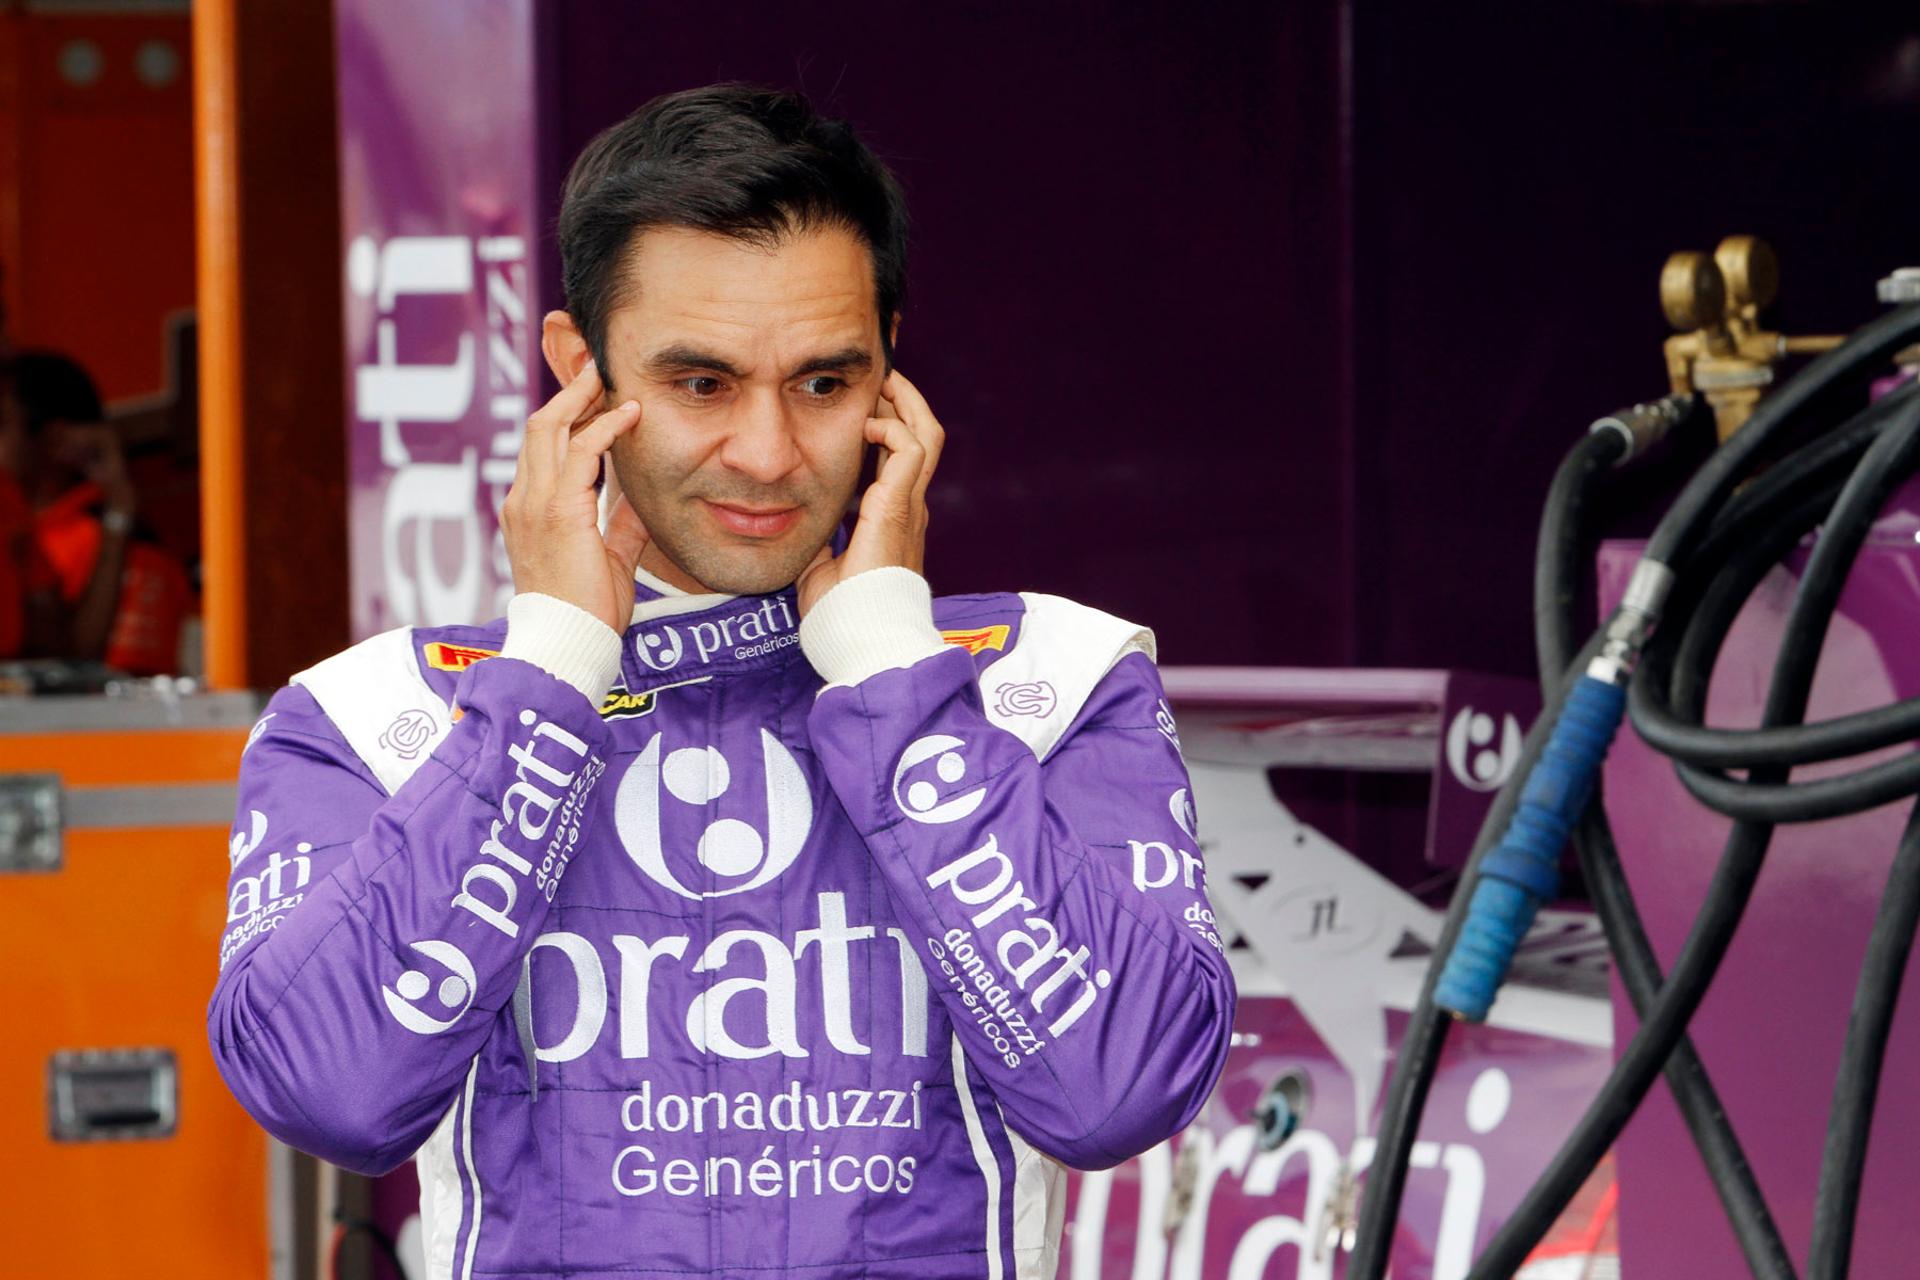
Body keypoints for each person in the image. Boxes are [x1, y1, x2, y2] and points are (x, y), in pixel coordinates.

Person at [208, 83, 1234, 1279]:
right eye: (701, 384)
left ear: (891, 370)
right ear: (576, 371)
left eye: (823, 381)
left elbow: (1118, 1093)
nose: (768, 452)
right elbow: (328, 1094)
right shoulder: (375, 714)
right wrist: (546, 676)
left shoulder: (1055, 679)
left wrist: (897, 674)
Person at [0, 350, 192, 672]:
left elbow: (102, 678)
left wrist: (119, 507)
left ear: (53, 439)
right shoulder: (28, 527)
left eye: (1, 424)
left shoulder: (111, 545)